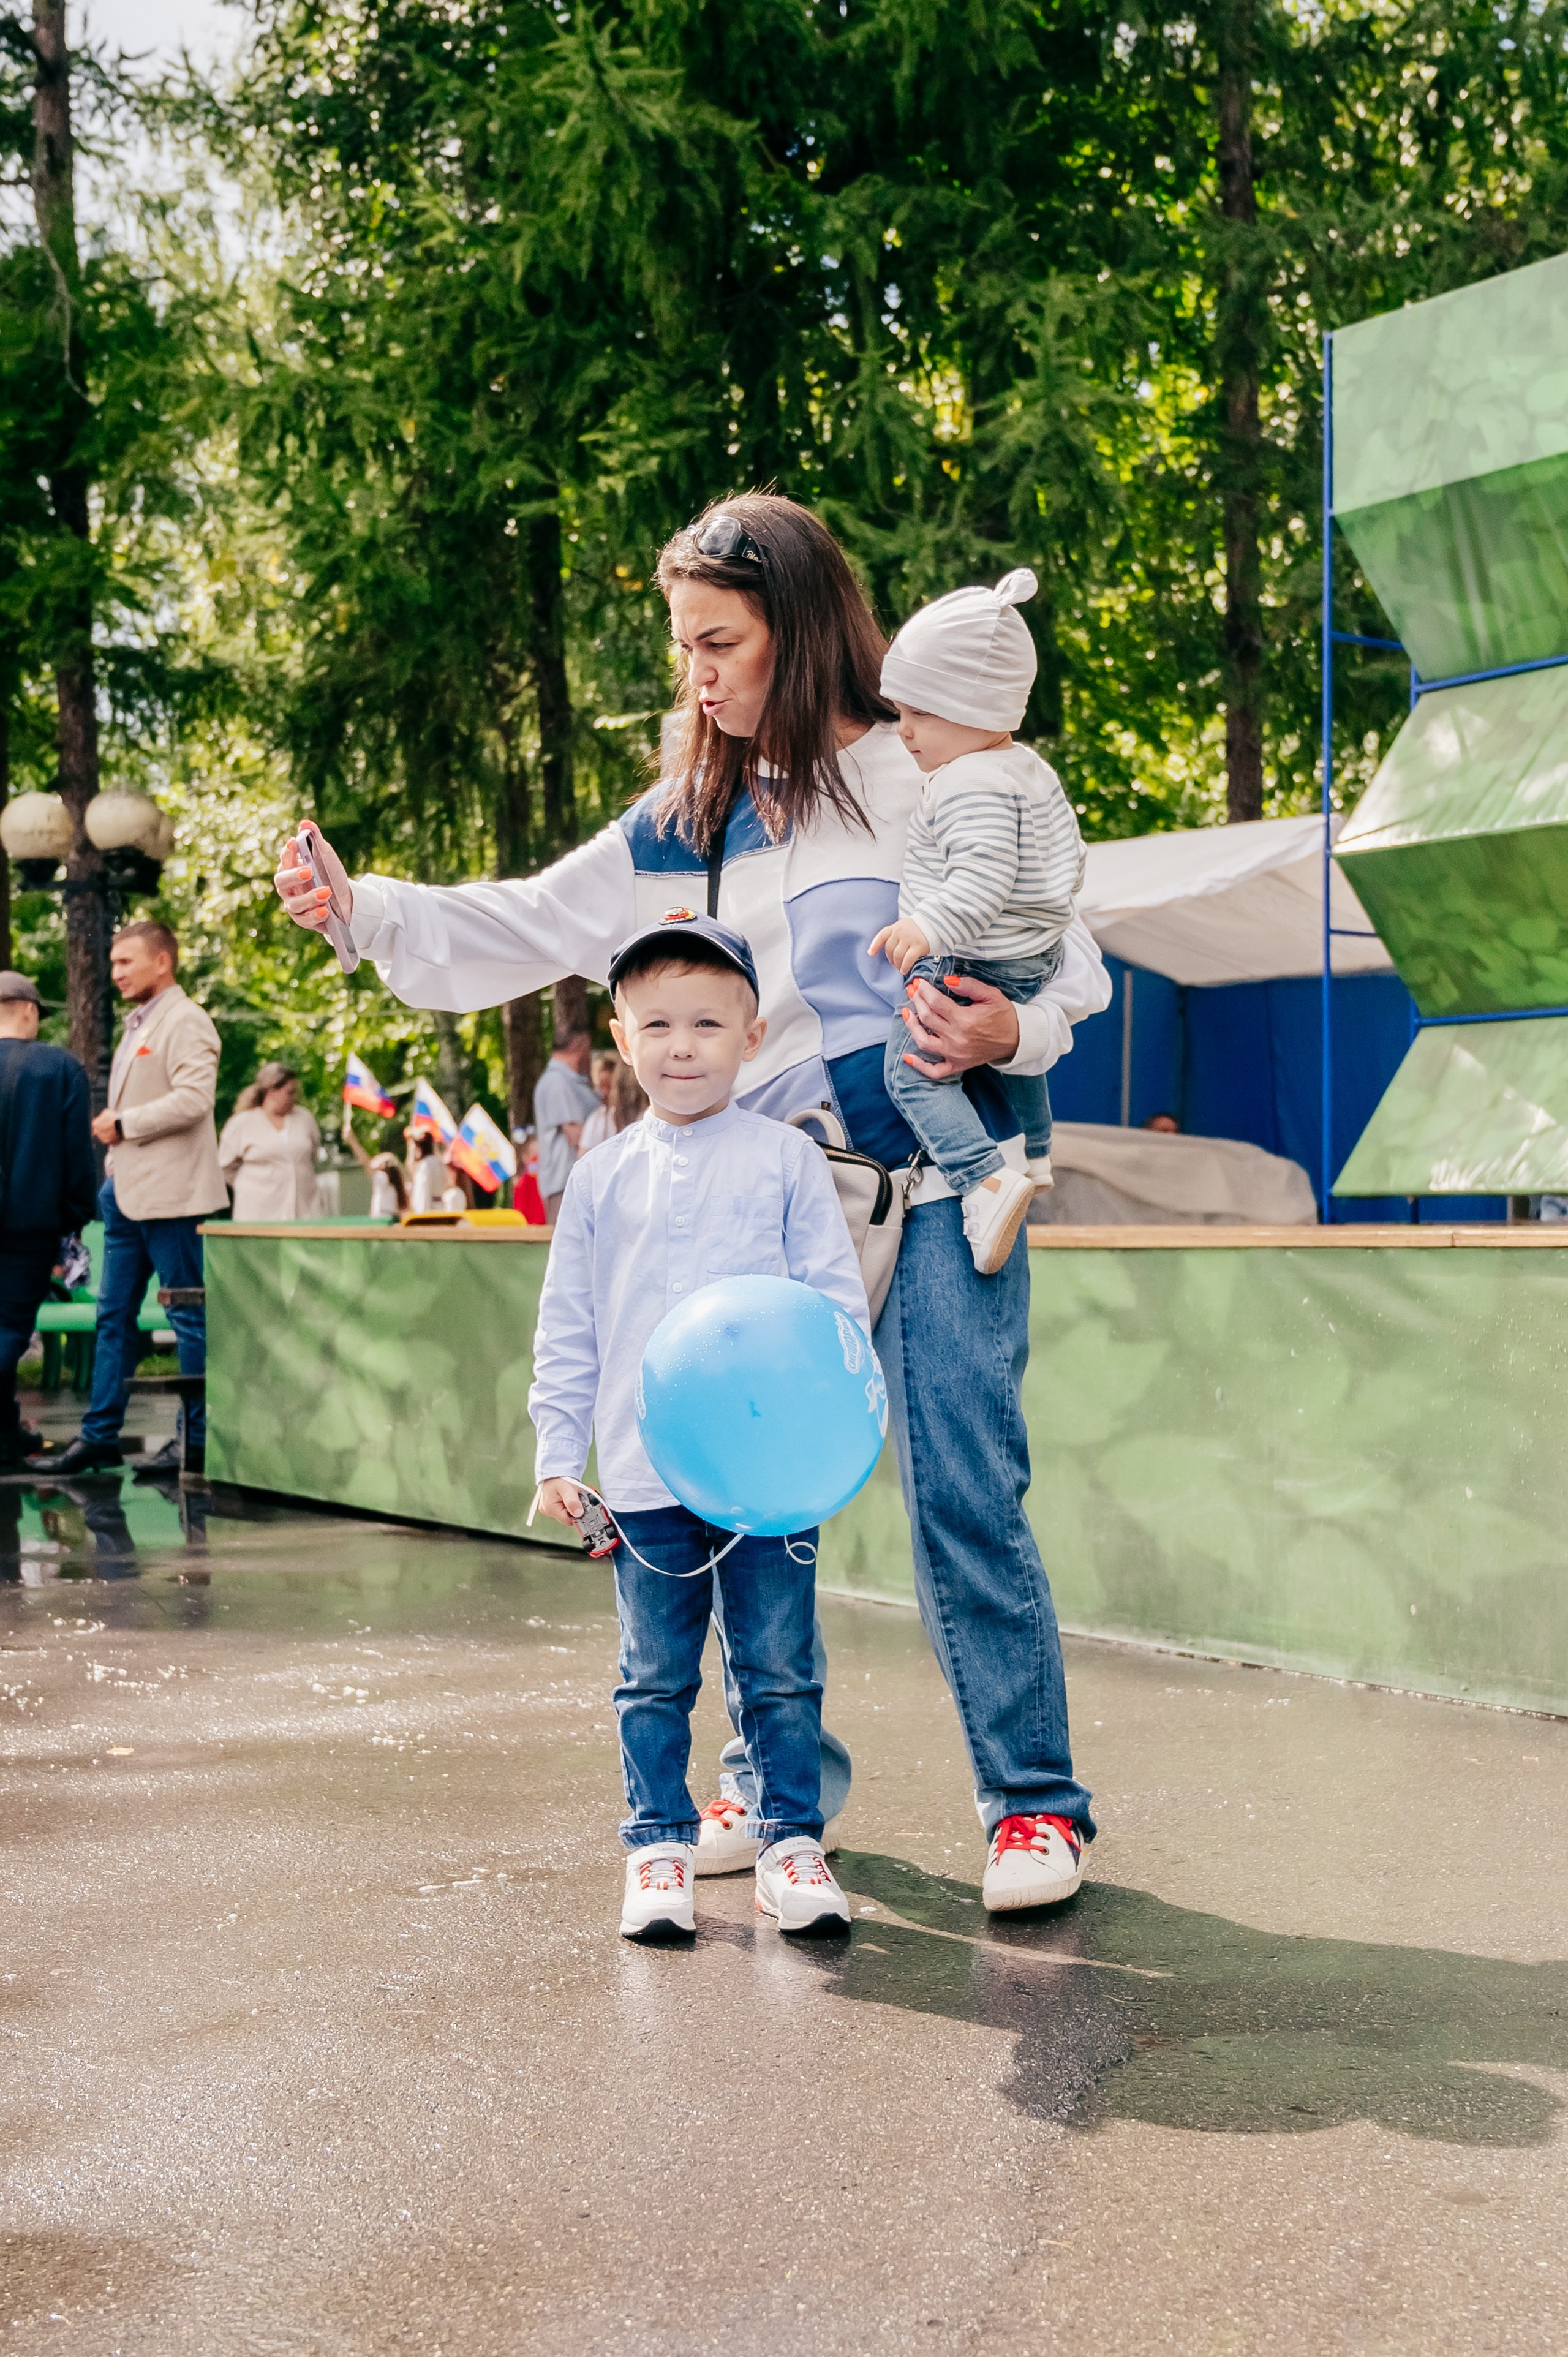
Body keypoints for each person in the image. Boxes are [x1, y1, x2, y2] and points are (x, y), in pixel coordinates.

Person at [273, 491, 1110, 1915]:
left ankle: (1033, 1806)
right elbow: (530, 919)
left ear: (800, 628)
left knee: (965, 1480)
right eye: (683, 646)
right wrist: (364, 912)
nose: (698, 673)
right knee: (751, 1494)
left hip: (950, 1171)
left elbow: (1069, 970)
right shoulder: (684, 819)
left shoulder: (928, 779)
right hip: (785, 1204)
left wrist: (1002, 1036)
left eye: (719, 640)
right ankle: (779, 1791)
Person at [531, 915, 865, 1940]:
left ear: (751, 1035)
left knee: (777, 1662)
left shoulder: (787, 1160)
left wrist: (840, 1427)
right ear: (623, 1039)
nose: (683, 1046)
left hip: (769, 1474)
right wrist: (557, 1449)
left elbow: (834, 1301)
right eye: (659, 1024)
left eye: (709, 1023)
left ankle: (788, 1842)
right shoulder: (601, 1175)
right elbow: (571, 1325)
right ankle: (657, 1847)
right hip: (642, 1477)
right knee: (654, 1673)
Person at [872, 567, 1085, 1275]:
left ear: (978, 706)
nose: (904, 732)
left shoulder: (967, 781)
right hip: (1032, 956)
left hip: (974, 955)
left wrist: (927, 928)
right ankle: (1037, 1149)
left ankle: (982, 1180)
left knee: (910, 1072)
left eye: (921, 714)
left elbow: (983, 876)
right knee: (1011, 1044)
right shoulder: (1028, 769)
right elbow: (1066, 860)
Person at [34, 921, 224, 1480]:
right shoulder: (140, 1022)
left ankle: (196, 1443)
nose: (114, 974)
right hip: (125, 1199)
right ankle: (99, 1438)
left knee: (187, 1322)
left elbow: (195, 1099)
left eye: (125, 963)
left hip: (175, 1202)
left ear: (163, 962)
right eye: (113, 963)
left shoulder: (187, 1020)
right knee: (112, 1318)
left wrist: (124, 1123)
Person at [0, 972, 96, 1470]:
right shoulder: (57, 1067)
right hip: (28, 1226)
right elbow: (77, 1155)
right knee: (10, 1330)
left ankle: (8, 1436)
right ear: (30, 1011)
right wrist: (75, 1218)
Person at [218, 1062, 322, 1220]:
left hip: (304, 1212)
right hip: (258, 1213)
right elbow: (225, 1167)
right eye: (290, 1093)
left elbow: (313, 1155)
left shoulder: (304, 1118)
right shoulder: (242, 1123)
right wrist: (253, 1186)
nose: (295, 1098)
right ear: (272, 1091)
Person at [533, 1027, 598, 1220]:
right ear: (578, 1046)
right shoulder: (558, 1083)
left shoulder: (566, 1082)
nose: (589, 1056)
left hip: (570, 1183)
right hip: (564, 1185)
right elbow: (574, 1134)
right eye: (588, 1049)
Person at [578, 1050, 647, 1153]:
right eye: (601, 1086)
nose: (605, 1093)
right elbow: (583, 1156)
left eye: (610, 1087)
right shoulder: (597, 1119)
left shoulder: (645, 1117)